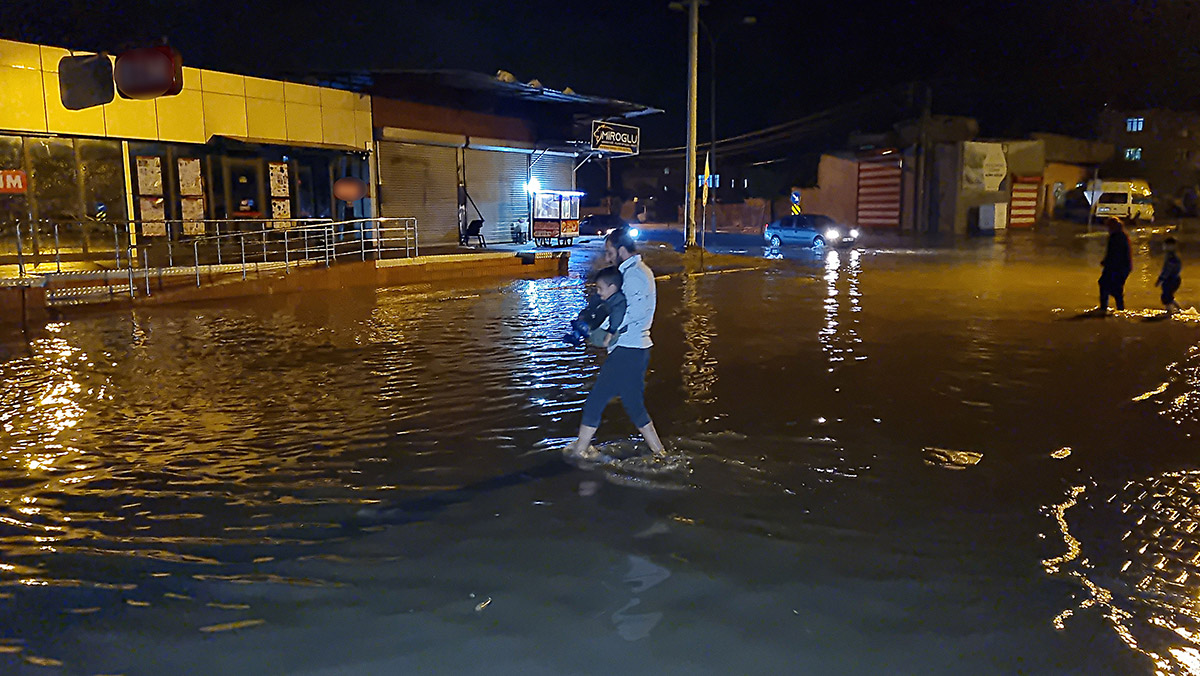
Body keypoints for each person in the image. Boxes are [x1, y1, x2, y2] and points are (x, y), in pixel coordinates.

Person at [567, 228, 666, 457]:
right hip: (634, 350)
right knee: (634, 404)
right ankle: (660, 453)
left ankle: (580, 451)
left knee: (596, 399)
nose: (607, 257)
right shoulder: (636, 272)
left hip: (628, 350)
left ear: (621, 250)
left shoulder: (634, 275)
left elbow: (633, 312)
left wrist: (604, 332)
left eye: (610, 252)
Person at [563, 267, 626, 348]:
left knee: (600, 313)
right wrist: (583, 315)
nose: (598, 291)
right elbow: (591, 307)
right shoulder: (601, 297)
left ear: (612, 288)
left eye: (600, 288)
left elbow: (616, 317)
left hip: (608, 333)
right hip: (596, 324)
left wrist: (610, 333)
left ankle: (583, 333)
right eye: (597, 288)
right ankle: (577, 335)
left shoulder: (618, 303)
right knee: (581, 324)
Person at [1099, 217, 1133, 312]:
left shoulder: (1115, 237)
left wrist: (1106, 262)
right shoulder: (1122, 236)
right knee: (1114, 288)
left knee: (1105, 285)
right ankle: (1118, 309)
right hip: (1123, 267)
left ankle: (1105, 308)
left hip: (1116, 267)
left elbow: (1114, 253)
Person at [1156, 236, 1183, 314]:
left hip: (1171, 279)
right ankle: (1177, 310)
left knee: (1166, 296)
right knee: (1167, 296)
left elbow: (1167, 269)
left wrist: (1161, 279)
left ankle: (1171, 311)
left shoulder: (1171, 256)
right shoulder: (1173, 256)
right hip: (1174, 279)